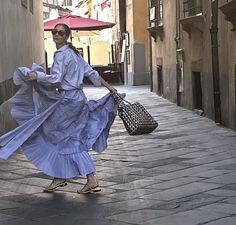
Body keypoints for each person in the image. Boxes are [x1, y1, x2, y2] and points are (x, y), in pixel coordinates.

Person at [0, 23, 119, 194]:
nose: (56, 35)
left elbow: (55, 79)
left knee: (54, 134)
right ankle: (63, 176)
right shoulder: (75, 54)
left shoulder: (62, 55)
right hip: (77, 99)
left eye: (61, 33)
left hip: (69, 101)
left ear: (66, 36)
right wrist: (111, 88)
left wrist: (37, 75)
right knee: (66, 137)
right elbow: (92, 74)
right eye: (54, 32)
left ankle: (82, 178)